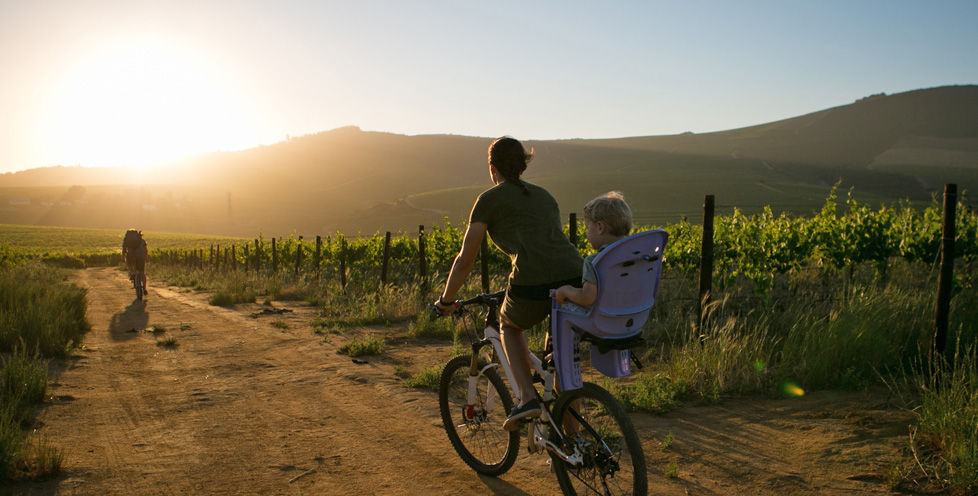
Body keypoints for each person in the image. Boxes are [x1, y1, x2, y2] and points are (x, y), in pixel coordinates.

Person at [434, 136, 583, 431]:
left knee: (510, 326)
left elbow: (466, 259)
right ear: (523, 165)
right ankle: (574, 442)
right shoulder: (544, 195)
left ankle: (527, 398)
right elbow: (548, 245)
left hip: (531, 280)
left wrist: (446, 300)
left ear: (492, 167)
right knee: (559, 364)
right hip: (577, 278)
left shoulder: (488, 200)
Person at [551, 191, 633, 307]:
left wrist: (565, 290)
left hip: (601, 320)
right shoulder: (636, 256)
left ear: (600, 227)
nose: (586, 233)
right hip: (631, 315)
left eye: (587, 227)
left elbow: (587, 297)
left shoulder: (595, 262)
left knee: (562, 307)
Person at [122, 229, 148, 295]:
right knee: (142, 273)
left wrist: (123, 258)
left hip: (131, 256)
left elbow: (124, 250)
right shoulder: (142, 241)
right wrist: (144, 258)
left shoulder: (127, 241)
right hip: (140, 257)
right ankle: (144, 289)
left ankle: (132, 272)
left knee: (128, 262)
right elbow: (146, 250)